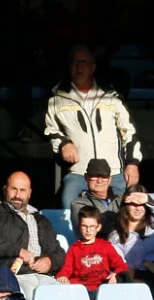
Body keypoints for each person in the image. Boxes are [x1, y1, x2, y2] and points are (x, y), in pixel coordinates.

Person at [45, 45, 142, 208]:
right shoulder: (56, 99)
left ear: (93, 66)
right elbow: (50, 131)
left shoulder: (112, 96)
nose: (79, 67)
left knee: (125, 215)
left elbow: (129, 131)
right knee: (69, 209)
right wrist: (63, 144)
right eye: (74, 62)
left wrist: (132, 164)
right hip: (79, 173)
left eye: (84, 62)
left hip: (114, 172)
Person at [0, 172, 65, 300]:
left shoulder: (42, 220)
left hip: (45, 276)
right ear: (5, 189)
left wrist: (50, 261)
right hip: (14, 276)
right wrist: (18, 251)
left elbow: (58, 251)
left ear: (29, 193)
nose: (17, 195)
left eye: (22, 190)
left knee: (64, 296)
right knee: (32, 297)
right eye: (14, 189)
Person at [57, 206, 130, 297]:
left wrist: (115, 274)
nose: (88, 230)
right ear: (79, 226)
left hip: (102, 288)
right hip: (80, 289)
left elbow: (122, 266)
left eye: (92, 226)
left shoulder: (105, 246)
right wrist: (62, 276)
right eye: (84, 226)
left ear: (98, 227)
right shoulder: (74, 248)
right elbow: (67, 268)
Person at [107, 191, 154, 288]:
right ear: (126, 208)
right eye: (134, 204)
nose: (138, 208)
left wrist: (148, 198)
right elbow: (120, 264)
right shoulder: (116, 236)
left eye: (142, 204)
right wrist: (144, 264)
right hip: (136, 275)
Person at [69, 159, 123, 234]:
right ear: (86, 177)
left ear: (109, 179)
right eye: (94, 176)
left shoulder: (121, 200)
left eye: (104, 177)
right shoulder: (78, 204)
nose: (99, 181)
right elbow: (88, 231)